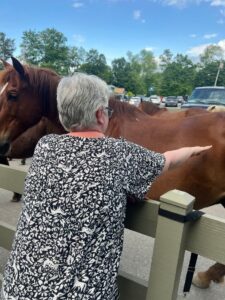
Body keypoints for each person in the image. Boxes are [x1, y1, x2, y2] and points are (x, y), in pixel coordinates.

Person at [1, 73, 211, 300]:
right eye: (107, 112)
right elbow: (167, 160)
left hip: (18, 289)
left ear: (62, 116)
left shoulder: (45, 146)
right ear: (101, 115)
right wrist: (192, 150)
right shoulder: (120, 153)